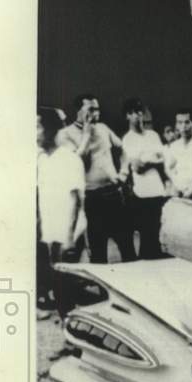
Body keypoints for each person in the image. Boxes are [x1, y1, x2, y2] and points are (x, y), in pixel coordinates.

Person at [58, 93, 136, 263]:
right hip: (92, 199)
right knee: (99, 254)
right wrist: (86, 134)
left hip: (114, 194)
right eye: (91, 109)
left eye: (98, 109)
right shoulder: (65, 134)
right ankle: (104, 290)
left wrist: (123, 173)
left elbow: (123, 151)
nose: (96, 113)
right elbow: (77, 162)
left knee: (128, 249)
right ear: (78, 110)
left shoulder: (103, 128)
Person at [37, 107, 85, 310]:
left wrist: (70, 239)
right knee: (58, 287)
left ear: (50, 129)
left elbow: (76, 201)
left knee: (65, 288)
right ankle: (70, 331)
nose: (34, 132)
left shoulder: (68, 158)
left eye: (37, 126)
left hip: (68, 234)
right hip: (51, 232)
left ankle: (75, 334)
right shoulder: (42, 159)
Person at [120, 98, 167, 259]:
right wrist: (152, 159)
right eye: (133, 112)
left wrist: (147, 160)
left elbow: (163, 160)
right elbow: (137, 167)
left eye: (140, 111)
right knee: (147, 235)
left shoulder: (153, 135)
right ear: (127, 116)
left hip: (158, 189)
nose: (138, 115)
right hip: (142, 192)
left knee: (160, 233)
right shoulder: (128, 139)